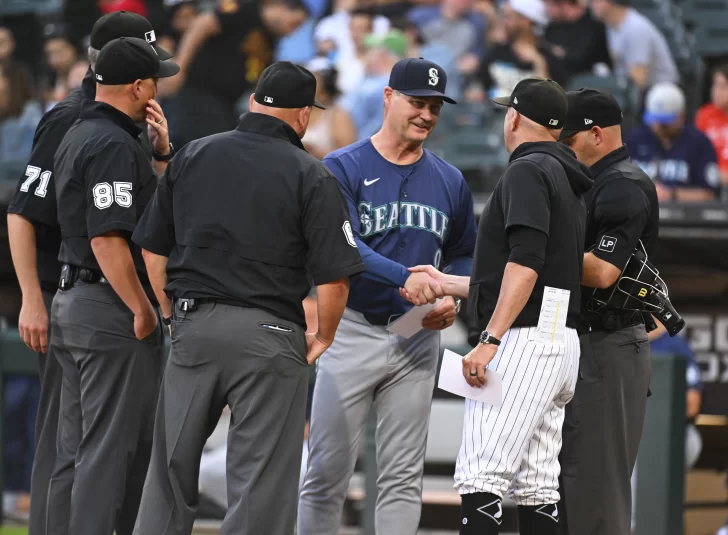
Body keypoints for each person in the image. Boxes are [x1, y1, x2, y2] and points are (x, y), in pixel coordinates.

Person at [130, 61, 365, 535]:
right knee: (260, 485)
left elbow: (153, 248)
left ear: (255, 101)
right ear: (303, 116)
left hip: (195, 327)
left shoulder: (193, 154)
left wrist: (172, 313)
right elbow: (336, 278)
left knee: (169, 473)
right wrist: (323, 335)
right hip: (271, 334)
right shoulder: (311, 173)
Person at [403, 76, 592, 535]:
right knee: (538, 485)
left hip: (523, 339)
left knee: (481, 475)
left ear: (514, 118)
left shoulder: (528, 170)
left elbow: (525, 266)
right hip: (556, 338)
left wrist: (489, 339)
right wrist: (447, 281)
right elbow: (523, 273)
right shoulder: (566, 176)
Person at [5, 11, 170, 535]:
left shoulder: (122, 124)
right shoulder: (71, 119)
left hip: (85, 295)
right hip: (90, 293)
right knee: (86, 452)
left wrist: (162, 156)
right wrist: (33, 295)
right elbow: (24, 212)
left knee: (86, 448)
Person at [298, 58, 478, 535]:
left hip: (415, 332)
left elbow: (464, 254)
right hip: (352, 327)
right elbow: (345, 244)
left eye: (435, 107)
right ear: (388, 98)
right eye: (417, 103)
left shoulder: (450, 180)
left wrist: (450, 296)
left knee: (402, 477)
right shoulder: (343, 166)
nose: (426, 115)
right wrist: (405, 277)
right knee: (325, 473)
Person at [51, 37, 179, 535]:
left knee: (77, 452)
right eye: (155, 82)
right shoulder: (111, 143)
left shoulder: (81, 130)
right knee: (109, 456)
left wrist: (161, 153)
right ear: (140, 86)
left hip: (74, 300)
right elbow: (108, 240)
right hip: (108, 307)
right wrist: (143, 310)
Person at [556, 87, 658, 535]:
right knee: (565, 482)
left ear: (595, 134)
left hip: (608, 342)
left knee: (595, 488)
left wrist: (530, 255)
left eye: (569, 139)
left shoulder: (623, 184)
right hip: (582, 341)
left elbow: (600, 272)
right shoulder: (591, 180)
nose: (563, 149)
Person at [627, 81, 721, 202]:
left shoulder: (699, 142)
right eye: (655, 120)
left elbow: (710, 194)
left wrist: (672, 194)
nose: (659, 126)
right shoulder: (634, 140)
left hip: (688, 217)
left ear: (681, 116)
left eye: (665, 122)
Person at [589, 0, 677, 91]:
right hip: (635, 89)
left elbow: (638, 80)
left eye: (595, 1)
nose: (591, 4)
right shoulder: (611, 25)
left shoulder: (635, 28)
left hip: (662, 91)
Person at [695, 63, 728, 189]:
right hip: (709, 179)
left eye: (723, 86)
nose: (716, 91)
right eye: (714, 85)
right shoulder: (705, 114)